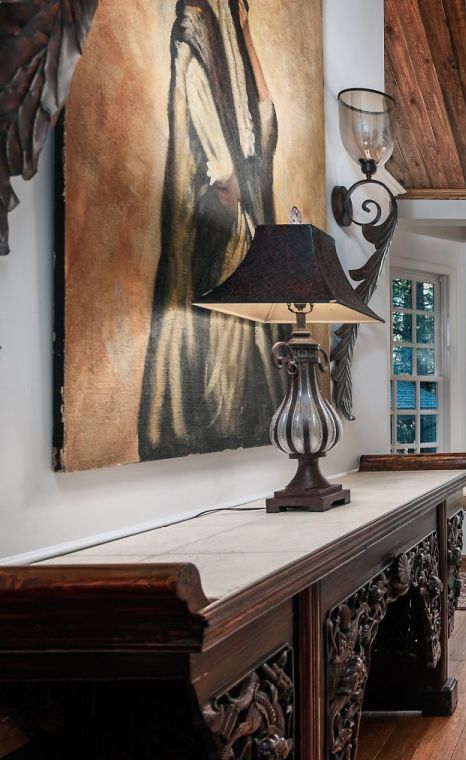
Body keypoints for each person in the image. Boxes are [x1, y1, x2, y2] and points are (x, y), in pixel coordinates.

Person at [139, 0, 285, 460]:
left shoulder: (231, 32)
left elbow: (264, 121)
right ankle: (218, 423)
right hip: (218, 218)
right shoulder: (195, 24)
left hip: (243, 212)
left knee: (249, 338)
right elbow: (199, 108)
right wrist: (226, 176)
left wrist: (246, 29)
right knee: (221, 332)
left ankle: (239, 422)